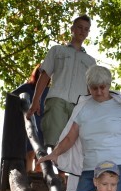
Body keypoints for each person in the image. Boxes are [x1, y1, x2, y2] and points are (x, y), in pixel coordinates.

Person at [26, 15, 96, 148]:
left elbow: (90, 89)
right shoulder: (57, 50)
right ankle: (52, 161)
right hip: (57, 100)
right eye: (79, 27)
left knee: (74, 147)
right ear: (72, 29)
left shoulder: (91, 61)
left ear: (88, 33)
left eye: (86, 29)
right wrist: (35, 101)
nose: (82, 31)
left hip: (78, 107)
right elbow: (45, 76)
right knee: (54, 142)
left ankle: (64, 164)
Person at [11, 64, 49, 172]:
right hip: (30, 125)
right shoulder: (27, 88)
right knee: (30, 153)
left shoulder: (49, 90)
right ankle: (28, 175)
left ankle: (40, 176)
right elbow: (12, 97)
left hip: (43, 127)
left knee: (41, 156)